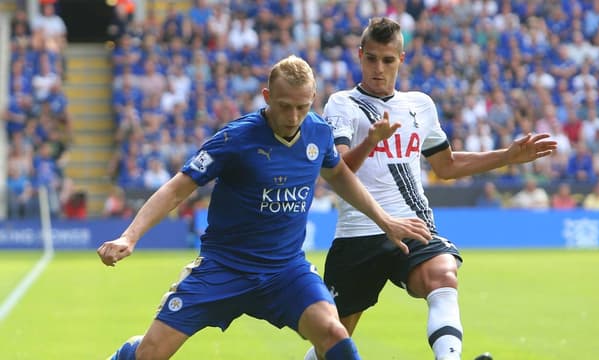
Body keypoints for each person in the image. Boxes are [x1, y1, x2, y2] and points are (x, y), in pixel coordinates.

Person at [97, 55, 430, 360]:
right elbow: (175, 190)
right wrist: (130, 236)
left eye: (302, 107)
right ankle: (128, 352)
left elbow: (340, 176)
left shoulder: (318, 133)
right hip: (224, 268)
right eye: (285, 106)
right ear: (267, 96)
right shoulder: (236, 139)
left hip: (285, 272)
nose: (294, 117)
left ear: (312, 100)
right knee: (150, 354)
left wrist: (385, 220)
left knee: (333, 332)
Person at [304, 17, 557, 360]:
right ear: (360, 56)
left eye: (388, 60)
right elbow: (339, 172)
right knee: (333, 340)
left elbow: (446, 165)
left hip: (412, 225)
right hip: (360, 233)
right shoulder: (342, 104)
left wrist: (507, 156)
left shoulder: (419, 105)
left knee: (443, 276)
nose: (379, 68)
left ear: (401, 59)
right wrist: (372, 142)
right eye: (372, 59)